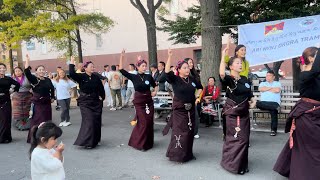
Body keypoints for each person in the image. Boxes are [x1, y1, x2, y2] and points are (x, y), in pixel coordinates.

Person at [274, 47, 320, 180]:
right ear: (311, 59)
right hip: (306, 116)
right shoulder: (306, 74)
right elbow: (316, 69)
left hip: (316, 114)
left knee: (310, 147)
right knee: (311, 148)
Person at [219, 47, 256, 175]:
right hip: (233, 115)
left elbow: (250, 93)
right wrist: (223, 57)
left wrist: (253, 100)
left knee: (245, 139)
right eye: (237, 63)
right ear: (231, 66)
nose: (240, 64)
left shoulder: (245, 79)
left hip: (244, 114)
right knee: (237, 139)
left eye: (241, 63)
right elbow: (222, 74)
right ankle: (232, 164)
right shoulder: (230, 79)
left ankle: (241, 164)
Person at [163, 49, 203, 163]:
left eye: (188, 67)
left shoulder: (193, 80)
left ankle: (188, 154)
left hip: (190, 110)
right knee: (180, 132)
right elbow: (166, 72)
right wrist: (169, 56)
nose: (187, 69)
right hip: (180, 110)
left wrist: (197, 97)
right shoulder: (175, 79)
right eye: (184, 68)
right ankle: (177, 155)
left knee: (190, 132)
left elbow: (200, 88)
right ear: (179, 70)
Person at [119, 49, 158, 151]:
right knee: (143, 122)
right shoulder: (133, 76)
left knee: (149, 121)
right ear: (138, 67)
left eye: (146, 66)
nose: (145, 67)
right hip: (139, 102)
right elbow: (121, 69)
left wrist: (155, 92)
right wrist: (122, 57)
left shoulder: (149, 76)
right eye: (143, 66)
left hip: (149, 101)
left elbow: (155, 85)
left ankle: (148, 142)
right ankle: (140, 143)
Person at [69, 57, 105, 148]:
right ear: (85, 68)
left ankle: (96, 139)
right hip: (85, 102)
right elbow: (72, 74)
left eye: (93, 66)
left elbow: (101, 88)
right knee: (89, 120)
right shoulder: (81, 76)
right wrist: (72, 63)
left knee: (96, 121)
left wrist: (102, 97)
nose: (93, 68)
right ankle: (87, 141)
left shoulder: (96, 77)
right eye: (91, 66)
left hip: (96, 102)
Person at [24, 55, 55, 143]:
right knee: (38, 120)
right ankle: (35, 137)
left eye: (43, 69)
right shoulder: (34, 79)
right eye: (39, 70)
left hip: (47, 102)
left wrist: (52, 97)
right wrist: (27, 61)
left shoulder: (48, 80)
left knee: (47, 120)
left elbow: (52, 88)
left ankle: (45, 136)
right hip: (38, 103)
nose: (41, 71)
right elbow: (27, 72)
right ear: (36, 72)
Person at [257, 70, 281, 136]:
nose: (267, 77)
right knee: (257, 103)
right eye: (266, 76)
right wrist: (271, 88)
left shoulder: (277, 83)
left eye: (269, 76)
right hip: (263, 103)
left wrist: (266, 89)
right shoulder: (262, 83)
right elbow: (261, 89)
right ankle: (276, 108)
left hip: (274, 103)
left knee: (273, 111)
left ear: (273, 77)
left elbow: (277, 90)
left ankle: (273, 130)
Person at [0, 63, 20, 143]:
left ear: (5, 69)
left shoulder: (8, 79)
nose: (2, 69)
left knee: (6, 119)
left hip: (6, 100)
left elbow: (17, 84)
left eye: (3, 68)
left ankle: (6, 137)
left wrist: (12, 90)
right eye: (0, 68)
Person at [184, 57, 201, 139]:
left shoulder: (195, 75)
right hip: (183, 99)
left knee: (195, 115)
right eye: (189, 62)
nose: (191, 64)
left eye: (192, 62)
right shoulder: (182, 75)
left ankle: (194, 132)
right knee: (184, 116)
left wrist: (197, 96)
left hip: (193, 99)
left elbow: (200, 87)